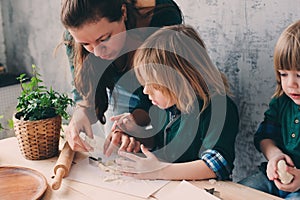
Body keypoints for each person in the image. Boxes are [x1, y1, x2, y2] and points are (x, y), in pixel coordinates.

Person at [114, 24, 239, 180]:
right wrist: (137, 132)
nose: (146, 91)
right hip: (168, 185)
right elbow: (159, 144)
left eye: (154, 85)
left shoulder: (218, 109)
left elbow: (216, 166)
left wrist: (159, 171)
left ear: (181, 79)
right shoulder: (164, 106)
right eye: (144, 83)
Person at [60, 0, 183, 152]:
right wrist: (81, 112)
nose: (97, 53)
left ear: (123, 12)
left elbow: (164, 96)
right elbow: (82, 88)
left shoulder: (162, 17)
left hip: (159, 92)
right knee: (118, 151)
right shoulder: (75, 29)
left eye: (104, 39)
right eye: (86, 44)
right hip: (117, 86)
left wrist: (135, 125)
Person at [239, 20, 300, 199]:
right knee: (238, 193)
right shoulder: (282, 102)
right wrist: (275, 155)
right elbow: (265, 136)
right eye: (283, 74)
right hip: (274, 179)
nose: (290, 84)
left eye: (299, 75)